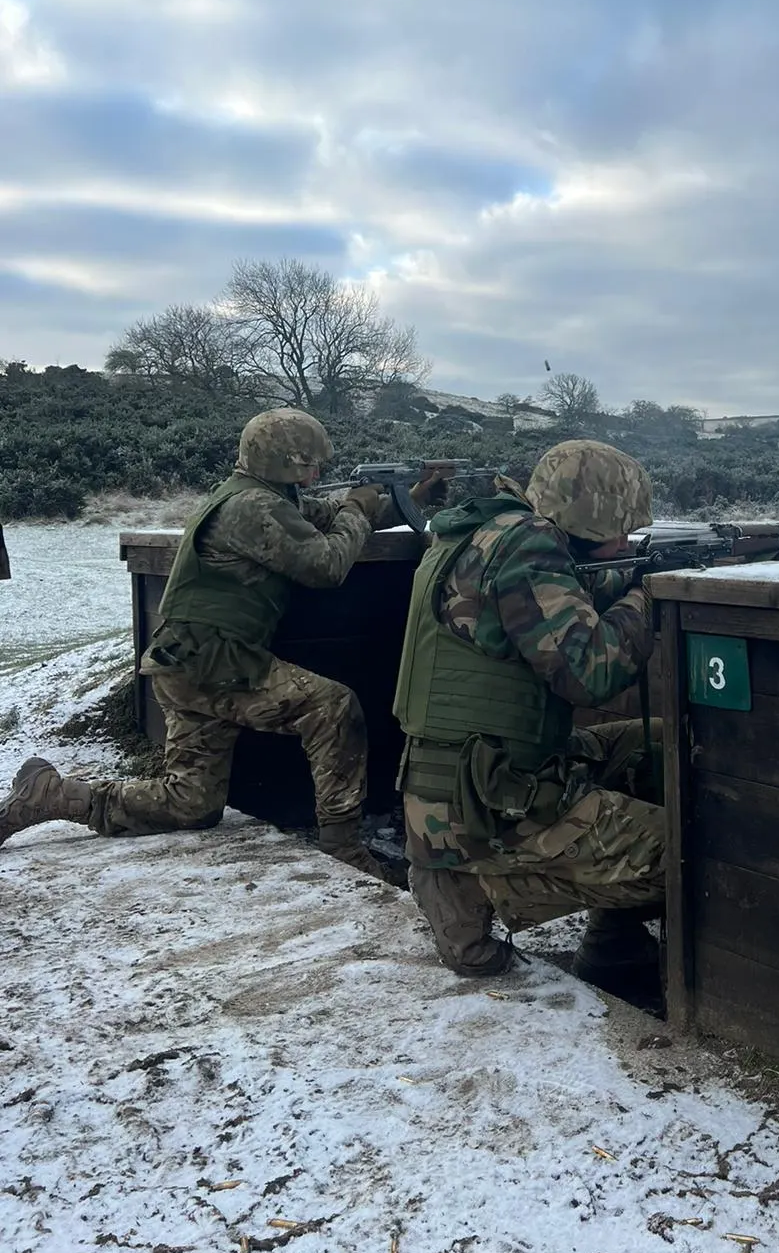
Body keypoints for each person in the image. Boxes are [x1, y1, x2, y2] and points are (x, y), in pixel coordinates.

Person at [0, 408, 402, 877]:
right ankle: (343, 847)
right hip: (218, 663)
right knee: (334, 707)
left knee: (191, 804)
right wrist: (358, 509)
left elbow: (329, 514)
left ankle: (53, 794)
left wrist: (402, 497)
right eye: (305, 464)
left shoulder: (253, 497)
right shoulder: (255, 508)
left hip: (185, 662)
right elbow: (327, 563)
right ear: (277, 460)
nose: (314, 474)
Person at [395, 438, 664, 988]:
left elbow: (558, 593)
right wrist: (649, 595)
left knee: (652, 744)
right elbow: (594, 672)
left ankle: (613, 945)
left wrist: (630, 575)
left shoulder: (487, 532)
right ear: (593, 514)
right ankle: (479, 892)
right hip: (487, 806)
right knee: (688, 853)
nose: (624, 541)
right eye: (622, 529)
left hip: (465, 781)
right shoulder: (530, 543)